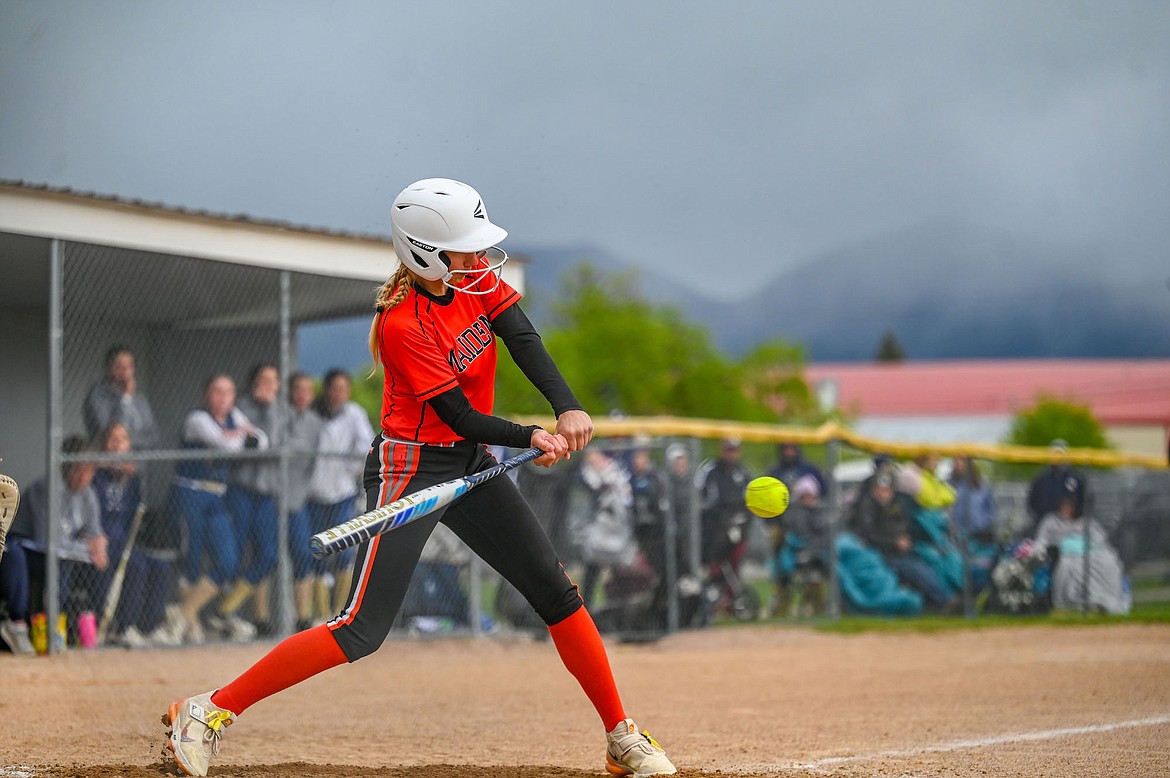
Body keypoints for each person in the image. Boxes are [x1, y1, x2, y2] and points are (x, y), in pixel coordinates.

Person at [164, 178, 676, 778]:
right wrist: (529, 435)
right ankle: (207, 712)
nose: (481, 258)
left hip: (469, 462)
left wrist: (565, 406)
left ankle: (621, 736)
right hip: (411, 467)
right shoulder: (402, 323)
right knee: (360, 630)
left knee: (556, 592)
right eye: (467, 247)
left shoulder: (476, 279)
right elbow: (455, 414)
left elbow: (522, 338)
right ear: (426, 252)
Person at [169, 374, 269, 645]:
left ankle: (183, 612)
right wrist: (240, 438)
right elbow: (228, 445)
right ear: (206, 395)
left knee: (228, 561)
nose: (223, 398)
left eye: (228, 392)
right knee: (190, 560)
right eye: (216, 392)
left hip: (217, 496)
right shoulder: (197, 419)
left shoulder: (235, 416)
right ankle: (189, 625)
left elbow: (261, 440)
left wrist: (240, 436)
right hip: (190, 492)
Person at [10, 435, 110, 641]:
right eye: (79, 470)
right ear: (65, 467)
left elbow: (94, 531)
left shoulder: (88, 494)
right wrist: (87, 547)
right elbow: (47, 541)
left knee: (97, 564)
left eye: (89, 470)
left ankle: (95, 626)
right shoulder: (46, 489)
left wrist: (98, 546)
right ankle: (50, 625)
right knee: (62, 563)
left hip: (66, 550)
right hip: (27, 549)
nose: (85, 476)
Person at [304, 368, 376, 620]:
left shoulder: (354, 413)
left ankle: (340, 612)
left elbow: (367, 445)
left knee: (345, 551)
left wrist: (351, 468)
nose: (339, 394)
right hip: (313, 495)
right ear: (326, 390)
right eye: (335, 389)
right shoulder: (313, 413)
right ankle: (321, 615)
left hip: (343, 493)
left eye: (343, 389)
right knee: (318, 553)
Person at [218, 364, 282, 640]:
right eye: (263, 380)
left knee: (268, 554)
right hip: (242, 489)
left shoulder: (279, 409)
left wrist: (267, 414)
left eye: (273, 381)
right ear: (253, 382)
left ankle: (225, 608)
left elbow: (276, 444)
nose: (269, 385)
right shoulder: (240, 407)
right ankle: (248, 619)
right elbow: (250, 444)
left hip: (267, 492)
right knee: (236, 550)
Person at [849, 471, 956, 613]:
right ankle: (945, 600)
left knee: (933, 560)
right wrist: (894, 543)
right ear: (873, 490)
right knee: (916, 569)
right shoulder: (867, 508)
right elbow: (869, 536)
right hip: (883, 554)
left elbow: (908, 528)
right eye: (879, 489)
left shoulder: (898, 505)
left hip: (904, 550)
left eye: (886, 489)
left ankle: (942, 600)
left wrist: (906, 539)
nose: (883, 493)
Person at [284, 371, 325, 631]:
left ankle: (303, 618)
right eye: (297, 389)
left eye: (307, 390)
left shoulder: (315, 422)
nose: (302, 395)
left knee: (303, 554)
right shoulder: (281, 416)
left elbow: (314, 463)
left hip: (300, 500)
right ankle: (261, 621)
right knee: (267, 556)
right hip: (273, 497)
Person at [696, 438, 752, 615]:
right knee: (713, 568)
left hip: (738, 527)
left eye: (734, 449)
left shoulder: (743, 473)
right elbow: (703, 501)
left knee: (733, 567)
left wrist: (742, 523)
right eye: (728, 449)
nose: (731, 453)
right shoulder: (711, 471)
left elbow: (749, 502)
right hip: (714, 530)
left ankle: (730, 603)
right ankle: (711, 602)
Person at [83, 345, 160, 450]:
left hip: (139, 462)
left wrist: (127, 441)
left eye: (129, 366)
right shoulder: (97, 397)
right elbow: (109, 435)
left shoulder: (139, 398)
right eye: (119, 366)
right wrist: (125, 399)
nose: (125, 371)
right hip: (110, 463)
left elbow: (152, 437)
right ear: (108, 369)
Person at [1027, 439, 1086, 526]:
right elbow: (1032, 502)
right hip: (1044, 525)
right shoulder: (1041, 479)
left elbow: (1083, 501)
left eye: (1060, 453)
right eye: (1054, 453)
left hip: (1070, 525)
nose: (1057, 457)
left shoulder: (1076, 478)